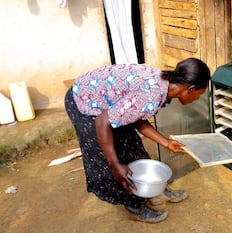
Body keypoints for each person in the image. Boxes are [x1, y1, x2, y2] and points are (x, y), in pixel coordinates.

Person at [64, 58, 211, 223]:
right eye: (200, 93)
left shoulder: (164, 83)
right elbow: (102, 122)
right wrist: (115, 164)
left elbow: (137, 115)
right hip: (84, 101)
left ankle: (154, 188)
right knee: (110, 158)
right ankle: (135, 207)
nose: (198, 98)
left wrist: (166, 143)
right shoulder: (151, 94)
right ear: (190, 89)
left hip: (105, 102)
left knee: (132, 145)